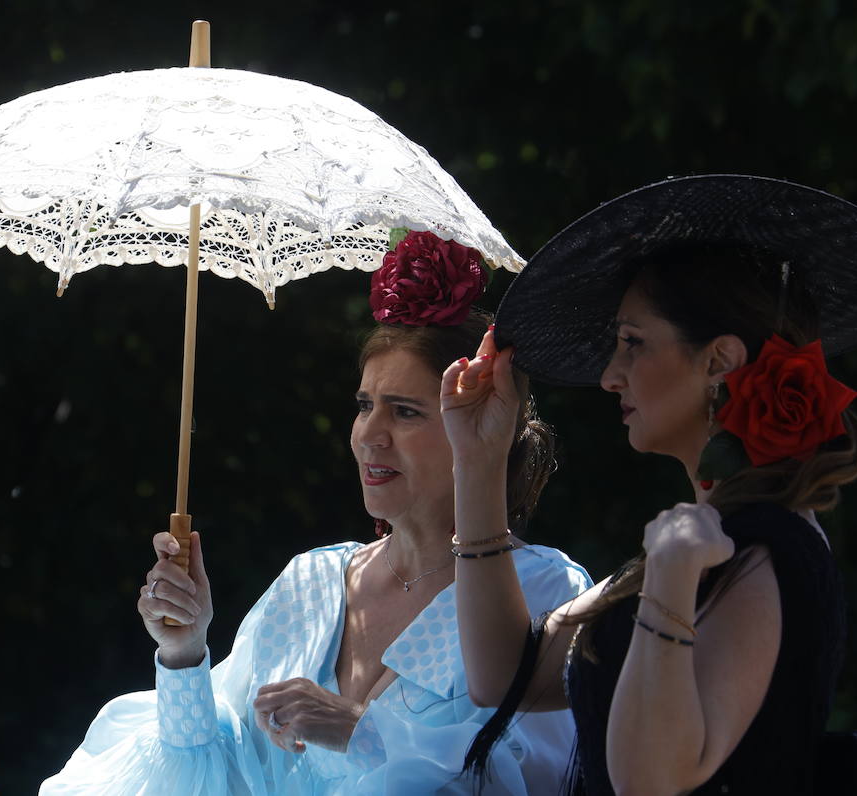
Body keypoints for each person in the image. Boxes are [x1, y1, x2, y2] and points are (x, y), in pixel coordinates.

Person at [39, 232, 591, 795]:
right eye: (364, 405)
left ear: (478, 424)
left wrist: (361, 733)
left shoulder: (544, 589)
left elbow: (529, 781)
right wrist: (184, 654)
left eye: (405, 412)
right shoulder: (310, 583)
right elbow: (221, 773)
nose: (369, 436)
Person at [440, 175, 857, 794]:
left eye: (632, 342)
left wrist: (672, 573)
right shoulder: (716, 541)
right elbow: (503, 676)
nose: (610, 376)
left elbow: (649, 782)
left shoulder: (764, 553)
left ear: (719, 362)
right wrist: (480, 461)